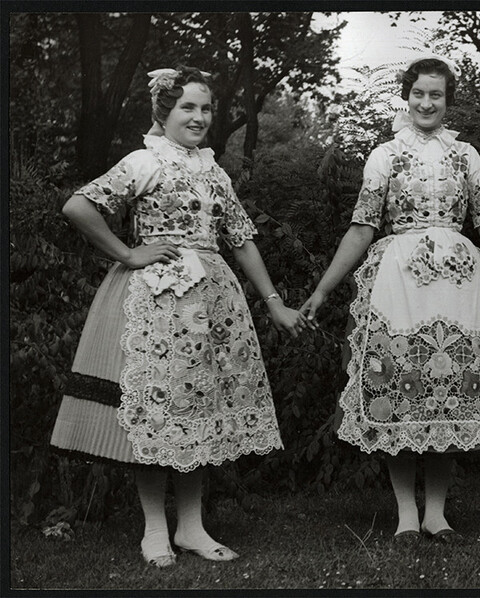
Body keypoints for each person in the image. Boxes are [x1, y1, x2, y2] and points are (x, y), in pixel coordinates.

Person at [50, 66, 308, 566]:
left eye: (205, 108)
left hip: (212, 302)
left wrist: (274, 303)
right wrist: (128, 254)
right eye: (187, 106)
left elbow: (242, 239)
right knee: (159, 410)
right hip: (159, 301)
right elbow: (78, 207)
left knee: (198, 408)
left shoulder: (214, 171)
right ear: (163, 111)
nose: (198, 116)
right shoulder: (144, 161)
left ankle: (191, 526)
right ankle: (153, 530)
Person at [301, 56, 480, 542]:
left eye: (437, 95)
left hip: (458, 281)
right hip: (399, 280)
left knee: (447, 386)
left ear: (448, 101)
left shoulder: (466, 156)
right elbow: (363, 226)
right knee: (400, 384)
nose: (427, 103)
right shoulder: (385, 155)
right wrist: (322, 290)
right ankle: (405, 516)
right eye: (419, 94)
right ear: (406, 97)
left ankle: (435, 513)